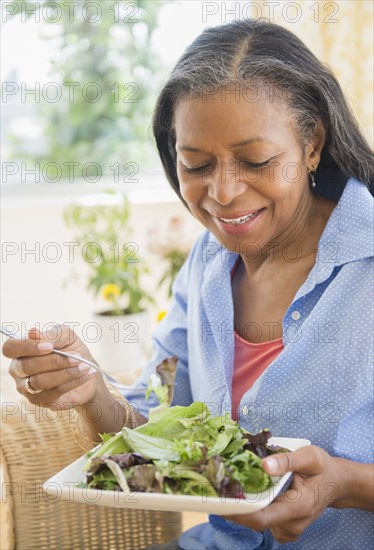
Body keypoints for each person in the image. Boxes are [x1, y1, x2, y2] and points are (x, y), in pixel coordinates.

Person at [3, 19, 373, 550]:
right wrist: (91, 390)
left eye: (255, 161)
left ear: (312, 142)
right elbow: (156, 426)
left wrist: (344, 483)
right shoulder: (207, 262)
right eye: (195, 165)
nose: (222, 193)